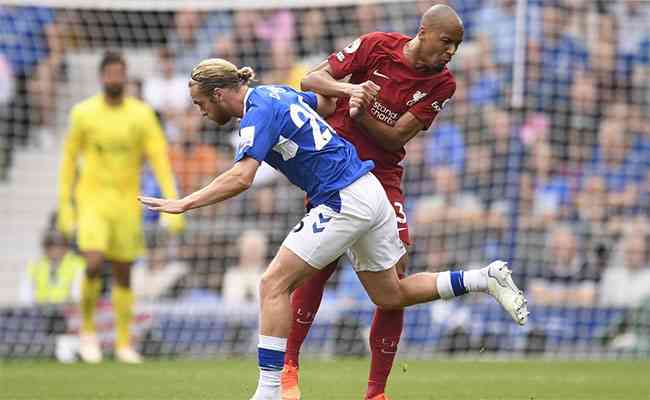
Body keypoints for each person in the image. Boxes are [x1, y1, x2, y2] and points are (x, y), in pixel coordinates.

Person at [139, 57, 528, 400]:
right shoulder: (276, 93)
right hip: (369, 191)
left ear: (220, 92)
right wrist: (345, 96)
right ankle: (485, 278)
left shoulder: (257, 109)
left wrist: (184, 202)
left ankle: (269, 392)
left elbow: (243, 178)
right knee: (391, 295)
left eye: (200, 102)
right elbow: (323, 102)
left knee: (272, 284)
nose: (201, 111)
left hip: (344, 197)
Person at [286, 4, 468, 399]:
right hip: (337, 167)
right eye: (446, 41)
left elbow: (395, 138)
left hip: (384, 176)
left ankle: (376, 392)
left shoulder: (443, 83)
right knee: (319, 262)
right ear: (423, 32)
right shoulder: (375, 45)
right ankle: (289, 367)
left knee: (394, 275)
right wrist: (349, 89)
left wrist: (361, 112)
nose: (451, 51)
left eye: (457, 45)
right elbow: (310, 78)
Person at [57, 50, 185, 364]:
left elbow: (159, 160)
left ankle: (123, 343)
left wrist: (173, 202)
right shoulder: (83, 113)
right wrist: (65, 207)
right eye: (110, 73)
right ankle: (87, 333)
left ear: (125, 77)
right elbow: (69, 162)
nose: (115, 78)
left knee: (124, 274)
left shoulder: (141, 115)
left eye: (120, 73)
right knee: (92, 263)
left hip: (127, 204)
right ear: (102, 77)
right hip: (92, 202)